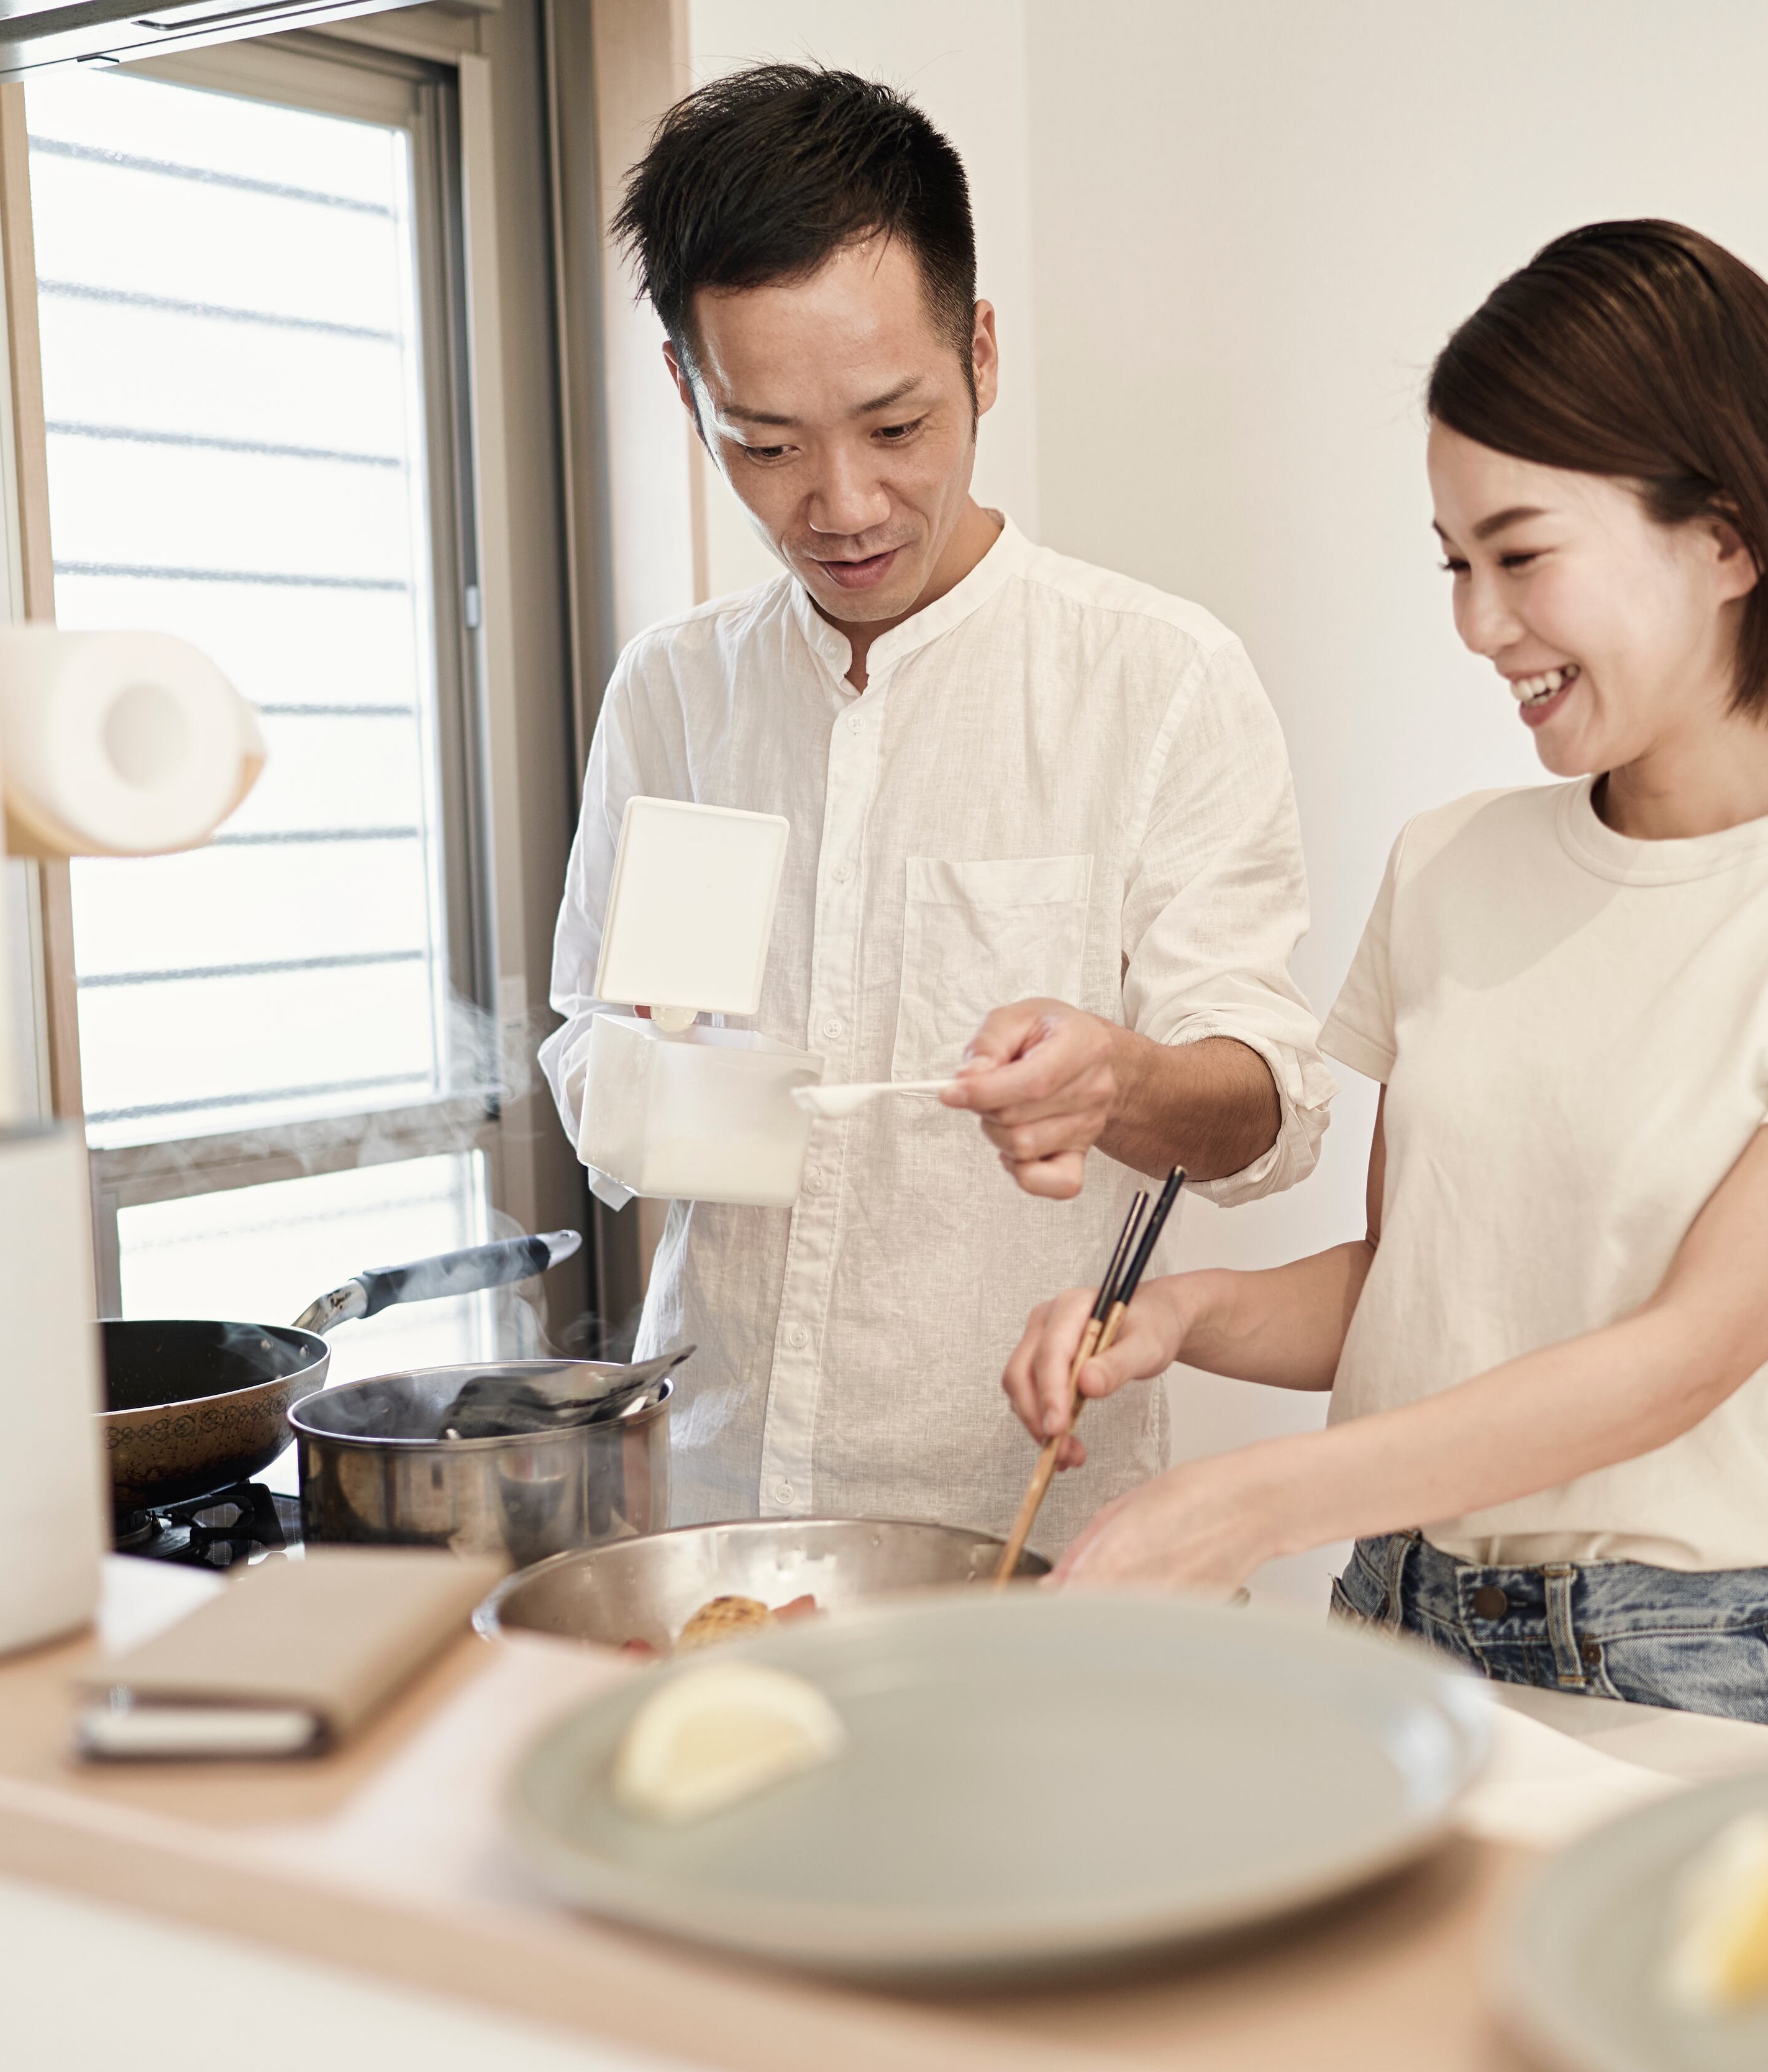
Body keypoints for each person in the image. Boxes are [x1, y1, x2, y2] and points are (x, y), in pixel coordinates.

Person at [998, 221, 1768, 1735]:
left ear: (1730, 538)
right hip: (1386, 1629)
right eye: (1455, 566)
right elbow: (1418, 1289)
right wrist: (1184, 1311)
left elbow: (1674, 1361)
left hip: (1673, 1665)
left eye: (1522, 554)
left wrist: (1232, 1511)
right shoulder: (1450, 865)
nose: (1481, 626)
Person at [540, 68, 1329, 1543]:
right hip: (715, 1501)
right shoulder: (672, 693)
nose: (839, 503)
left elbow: (1267, 1110)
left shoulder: (1154, 677)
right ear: (683, 390)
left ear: (978, 352)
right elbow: (596, 1054)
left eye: (893, 426)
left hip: (1025, 1518)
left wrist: (1123, 1084)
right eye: (763, 444)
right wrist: (667, 1081)